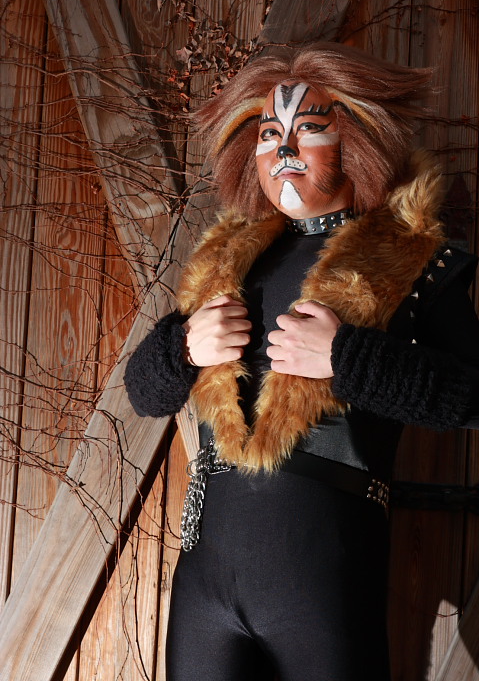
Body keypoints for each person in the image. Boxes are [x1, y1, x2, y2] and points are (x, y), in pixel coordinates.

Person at [124, 42, 479, 681]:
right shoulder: (226, 265)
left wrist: (348, 360)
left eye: (308, 129)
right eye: (269, 134)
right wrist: (181, 349)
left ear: (357, 141)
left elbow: (475, 398)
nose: (283, 149)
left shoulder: (412, 260)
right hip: (206, 581)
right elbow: (143, 393)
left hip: (324, 573)